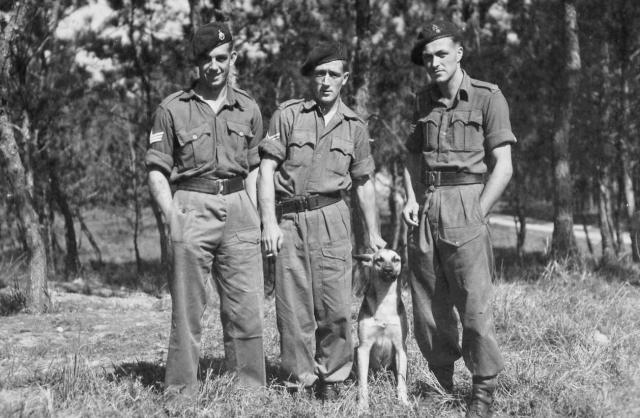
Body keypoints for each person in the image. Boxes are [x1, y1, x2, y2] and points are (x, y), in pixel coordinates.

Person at [257, 41, 386, 398]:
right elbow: (266, 170)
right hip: (290, 219)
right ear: (311, 79)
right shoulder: (288, 115)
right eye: (319, 74)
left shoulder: (355, 125)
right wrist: (268, 223)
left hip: (333, 217)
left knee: (335, 306)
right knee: (293, 307)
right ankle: (299, 380)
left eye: (333, 74)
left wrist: (373, 233)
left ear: (345, 78)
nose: (326, 81)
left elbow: (362, 182)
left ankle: (332, 378)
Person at [145, 22, 266, 397]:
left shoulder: (248, 107)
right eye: (205, 59)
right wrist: (172, 218)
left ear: (232, 59)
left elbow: (255, 168)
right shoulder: (172, 109)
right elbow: (156, 171)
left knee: (246, 307)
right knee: (188, 310)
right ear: (195, 63)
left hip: (239, 207)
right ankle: (181, 392)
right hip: (191, 205)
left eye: (220, 58)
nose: (213, 66)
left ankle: (249, 392)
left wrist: (258, 217)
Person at [402, 20, 515, 418]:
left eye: (441, 53)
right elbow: (411, 154)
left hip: (468, 199)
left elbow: (503, 165)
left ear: (459, 52)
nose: (434, 63)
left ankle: (482, 390)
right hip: (428, 204)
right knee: (428, 302)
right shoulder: (421, 101)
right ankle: (441, 381)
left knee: (473, 305)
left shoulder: (487, 97)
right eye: (428, 57)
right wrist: (411, 196)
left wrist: (478, 212)